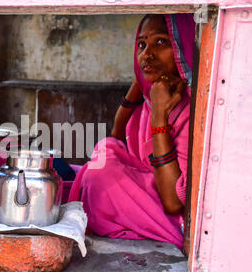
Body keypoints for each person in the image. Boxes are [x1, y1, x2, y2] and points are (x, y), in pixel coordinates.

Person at [68, 14, 195, 250]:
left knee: (100, 174)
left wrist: (159, 117)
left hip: (169, 211)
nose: (147, 54)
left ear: (182, 47)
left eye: (160, 42)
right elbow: (116, 138)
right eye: (141, 45)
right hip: (148, 185)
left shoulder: (192, 108)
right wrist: (139, 83)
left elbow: (174, 202)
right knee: (106, 152)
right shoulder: (153, 96)